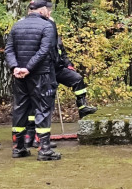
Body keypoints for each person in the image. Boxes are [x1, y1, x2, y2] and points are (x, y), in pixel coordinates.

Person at [15, 18, 99, 151]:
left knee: (77, 78)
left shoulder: (57, 39)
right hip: (46, 72)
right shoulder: (41, 37)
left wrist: (69, 65)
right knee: (41, 103)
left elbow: (63, 54)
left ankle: (82, 106)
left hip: (58, 69)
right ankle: (34, 137)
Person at [5, 0, 61, 160]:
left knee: (20, 109)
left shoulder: (16, 25)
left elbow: (8, 49)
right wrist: (28, 68)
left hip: (19, 76)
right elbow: (45, 51)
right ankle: (44, 150)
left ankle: (19, 147)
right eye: (47, 10)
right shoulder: (47, 26)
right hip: (40, 75)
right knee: (43, 109)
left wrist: (16, 67)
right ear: (42, 10)